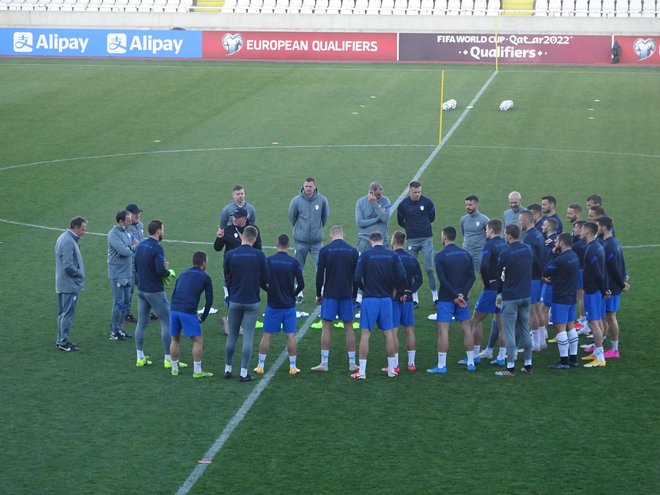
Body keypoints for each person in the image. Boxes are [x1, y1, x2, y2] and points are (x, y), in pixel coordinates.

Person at [352, 232, 406, 380]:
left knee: (365, 335)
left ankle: (362, 371)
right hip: (386, 299)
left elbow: (356, 278)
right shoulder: (392, 255)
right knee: (389, 334)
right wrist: (396, 290)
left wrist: (364, 289)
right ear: (383, 241)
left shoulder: (365, 255)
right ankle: (392, 369)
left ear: (371, 242)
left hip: (370, 299)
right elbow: (402, 276)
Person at [134, 220, 182, 369]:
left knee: (141, 323)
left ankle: (140, 357)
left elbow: (136, 266)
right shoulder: (157, 248)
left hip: (141, 289)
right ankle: (168, 358)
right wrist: (169, 272)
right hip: (154, 291)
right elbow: (159, 271)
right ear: (158, 231)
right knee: (167, 321)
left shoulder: (140, 245)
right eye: (163, 229)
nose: (164, 232)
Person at [427, 227, 476, 374]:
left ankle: (441, 366)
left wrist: (454, 295)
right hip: (463, 299)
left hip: (446, 298)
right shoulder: (466, 254)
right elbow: (472, 277)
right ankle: (471, 362)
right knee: (467, 329)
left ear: (444, 237)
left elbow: (442, 279)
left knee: (443, 331)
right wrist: (462, 294)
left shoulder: (440, 255)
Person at [254, 234, 304, 376]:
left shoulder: (268, 260)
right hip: (289, 305)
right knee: (290, 336)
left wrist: (269, 290)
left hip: (273, 304)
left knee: (267, 335)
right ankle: (293, 367)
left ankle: (260, 366)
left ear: (277, 244)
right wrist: (293, 294)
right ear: (288, 245)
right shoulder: (293, 262)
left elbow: (260, 280)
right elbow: (301, 284)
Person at [224, 225, 269, 382]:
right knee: (248, 336)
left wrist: (232, 291)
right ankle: (243, 372)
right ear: (254, 239)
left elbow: (227, 276)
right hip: (252, 300)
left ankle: (228, 368)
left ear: (242, 236)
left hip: (235, 299)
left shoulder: (230, 254)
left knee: (232, 335)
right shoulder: (259, 255)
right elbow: (266, 279)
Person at [312, 225, 360, 372]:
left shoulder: (325, 250)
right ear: (343, 235)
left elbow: (319, 274)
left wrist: (318, 294)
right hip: (346, 294)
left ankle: (324, 363)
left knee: (326, 328)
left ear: (331, 235)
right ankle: (352, 363)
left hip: (330, 294)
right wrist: (354, 295)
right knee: (349, 328)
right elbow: (356, 277)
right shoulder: (352, 251)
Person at [495, 224, 534, 377]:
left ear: (509, 236)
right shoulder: (528, 249)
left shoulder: (505, 253)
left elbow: (499, 276)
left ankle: (510, 367)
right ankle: (528, 365)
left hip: (511, 296)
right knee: (525, 329)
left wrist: (499, 293)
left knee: (509, 331)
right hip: (526, 295)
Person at [169, 251, 214, 378]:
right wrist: (203, 317)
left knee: (175, 339)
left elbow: (174, 293)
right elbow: (209, 299)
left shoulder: (183, 273)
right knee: (197, 341)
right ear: (204, 263)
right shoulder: (205, 277)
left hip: (174, 309)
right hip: (187, 311)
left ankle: (174, 369)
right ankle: (197, 371)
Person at [472, 219, 507, 366]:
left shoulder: (489, 245)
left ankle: (474, 355)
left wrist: (487, 283)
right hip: (503, 290)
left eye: (486, 229)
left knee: (476, 319)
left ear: (491, 230)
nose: (486, 232)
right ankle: (501, 357)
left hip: (491, 290)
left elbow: (484, 266)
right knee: (501, 323)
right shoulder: (505, 244)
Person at [288, 177, 329, 304]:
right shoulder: (296, 201)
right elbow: (292, 217)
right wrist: (300, 230)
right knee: (298, 267)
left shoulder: (322, 200)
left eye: (310, 186)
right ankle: (298, 292)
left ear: (315, 187)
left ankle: (322, 291)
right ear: (303, 186)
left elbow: (324, 217)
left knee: (321, 266)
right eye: (306, 186)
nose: (308, 189)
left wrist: (317, 230)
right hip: (301, 241)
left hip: (317, 242)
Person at [396, 181, 437, 306]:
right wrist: (411, 227)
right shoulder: (403, 205)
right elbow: (400, 221)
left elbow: (432, 217)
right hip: (412, 240)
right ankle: (414, 297)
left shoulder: (427, 202)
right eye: (415, 192)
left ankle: (435, 296)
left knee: (429, 268)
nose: (417, 194)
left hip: (426, 239)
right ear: (410, 191)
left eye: (419, 192)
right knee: (411, 269)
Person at [543, 233, 580, 369]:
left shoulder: (560, 259)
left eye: (557, 241)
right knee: (571, 327)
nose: (556, 244)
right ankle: (574, 358)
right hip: (571, 296)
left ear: (562, 243)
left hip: (560, 297)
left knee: (560, 328)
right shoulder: (574, 256)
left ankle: (564, 361)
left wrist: (552, 254)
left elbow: (546, 270)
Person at [214, 207, 262, 312]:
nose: (234, 219)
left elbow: (259, 249)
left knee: (248, 295)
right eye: (233, 217)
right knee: (234, 296)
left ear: (244, 218)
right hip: (232, 269)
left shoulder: (252, 230)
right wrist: (219, 237)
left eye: (237, 217)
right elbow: (217, 248)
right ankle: (233, 318)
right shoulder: (228, 230)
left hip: (249, 268)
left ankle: (247, 315)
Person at [390, 230, 423, 373]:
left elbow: (389, 279)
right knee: (409, 331)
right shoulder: (412, 259)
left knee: (393, 332)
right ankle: (411, 364)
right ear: (404, 242)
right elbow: (420, 280)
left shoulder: (391, 258)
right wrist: (409, 291)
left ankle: (395, 365)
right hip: (408, 300)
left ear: (393, 242)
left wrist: (398, 293)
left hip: (394, 299)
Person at [597, 216, 629, 359]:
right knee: (605, 316)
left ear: (603, 227)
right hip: (611, 286)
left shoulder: (609, 245)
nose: (596, 229)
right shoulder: (614, 242)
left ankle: (614, 350)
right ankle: (600, 343)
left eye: (597, 226)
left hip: (611, 287)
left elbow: (614, 268)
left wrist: (621, 284)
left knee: (610, 317)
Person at [55, 216, 87, 352]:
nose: (84, 232)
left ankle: (60, 340)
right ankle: (63, 342)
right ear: (76, 228)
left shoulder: (62, 237)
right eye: (83, 229)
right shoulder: (68, 241)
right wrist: (80, 274)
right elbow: (68, 266)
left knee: (62, 313)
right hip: (69, 285)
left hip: (61, 283)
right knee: (67, 314)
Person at [580, 222, 609, 368]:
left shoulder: (592, 249)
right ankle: (598, 352)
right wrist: (604, 289)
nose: (580, 232)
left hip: (592, 291)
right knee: (597, 321)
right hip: (597, 290)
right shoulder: (597, 245)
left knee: (593, 322)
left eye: (583, 230)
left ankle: (600, 357)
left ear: (588, 232)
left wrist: (604, 289)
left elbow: (597, 272)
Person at [519, 210, 545, 355]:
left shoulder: (529, 238)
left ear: (527, 221)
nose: (519, 223)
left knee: (531, 311)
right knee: (537, 309)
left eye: (520, 220)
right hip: (538, 276)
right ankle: (541, 341)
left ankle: (535, 343)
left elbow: (530, 259)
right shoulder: (538, 234)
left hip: (532, 277)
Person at [107, 209, 136, 341]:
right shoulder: (113, 234)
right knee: (118, 303)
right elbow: (123, 251)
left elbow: (136, 245)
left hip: (127, 272)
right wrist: (127, 249)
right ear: (121, 221)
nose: (130, 223)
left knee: (125, 302)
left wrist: (128, 249)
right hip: (118, 274)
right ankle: (114, 331)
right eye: (128, 221)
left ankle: (120, 329)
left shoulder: (127, 231)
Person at [355, 182, 391, 253]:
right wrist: (377, 219)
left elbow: (384, 218)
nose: (379, 196)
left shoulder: (385, 201)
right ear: (370, 193)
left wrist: (375, 204)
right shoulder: (361, 202)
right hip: (366, 240)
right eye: (377, 195)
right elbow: (359, 223)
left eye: (381, 194)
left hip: (382, 241)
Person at [125, 203, 144, 323]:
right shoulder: (126, 229)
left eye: (138, 213)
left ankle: (147, 311)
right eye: (135, 213)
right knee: (129, 290)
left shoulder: (140, 225)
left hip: (140, 263)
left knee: (144, 286)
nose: (138, 215)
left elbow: (141, 241)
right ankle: (126, 314)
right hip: (130, 264)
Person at [460, 195, 489, 273]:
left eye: (470, 205)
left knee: (483, 274)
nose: (467, 207)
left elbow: (489, 236)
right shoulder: (463, 220)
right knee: (464, 274)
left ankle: (487, 286)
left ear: (476, 204)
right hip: (466, 251)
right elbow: (464, 233)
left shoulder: (484, 220)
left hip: (479, 253)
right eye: (466, 205)